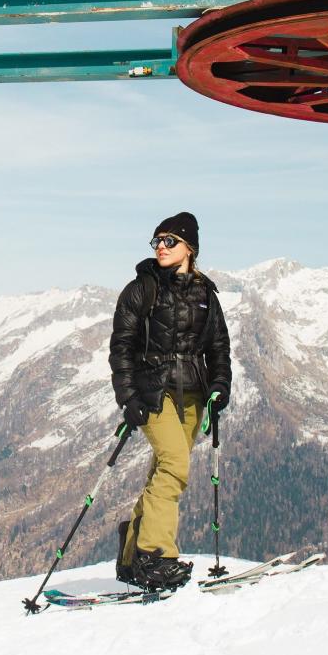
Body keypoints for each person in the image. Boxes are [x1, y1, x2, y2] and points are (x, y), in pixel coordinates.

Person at [108, 211, 232, 590]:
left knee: (162, 472)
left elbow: (219, 348)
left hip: (193, 396)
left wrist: (219, 388)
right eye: (157, 241)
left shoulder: (205, 294)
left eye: (169, 241)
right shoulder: (141, 289)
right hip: (153, 392)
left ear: (189, 248)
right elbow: (121, 348)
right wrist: (128, 397)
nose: (160, 247)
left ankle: (131, 555)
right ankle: (155, 555)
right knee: (175, 466)